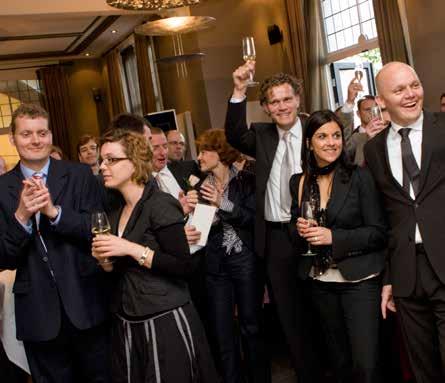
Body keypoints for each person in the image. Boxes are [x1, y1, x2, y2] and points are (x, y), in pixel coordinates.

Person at [92, 129, 218, 383]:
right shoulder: (116, 211)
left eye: (111, 160)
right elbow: (121, 269)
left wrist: (130, 248)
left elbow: (184, 266)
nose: (103, 167)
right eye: (102, 160)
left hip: (164, 318)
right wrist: (105, 262)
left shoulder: (159, 204)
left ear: (135, 162)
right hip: (129, 318)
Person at [0, 103, 109, 382]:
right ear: (13, 139)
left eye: (42, 132)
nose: (35, 140)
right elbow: (3, 257)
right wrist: (22, 217)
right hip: (37, 313)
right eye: (26, 134)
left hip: (86, 303)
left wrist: (55, 213)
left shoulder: (80, 175)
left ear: (51, 135)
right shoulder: (1, 189)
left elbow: (97, 230)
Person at [225, 60, 319, 381]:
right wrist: (239, 89)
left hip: (314, 235)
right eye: (274, 101)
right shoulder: (262, 135)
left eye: (287, 98)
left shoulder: (315, 131)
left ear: (298, 99)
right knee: (289, 318)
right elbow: (234, 134)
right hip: (276, 239)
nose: (282, 106)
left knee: (322, 312)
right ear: (265, 107)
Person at [291, 110, 387, 383]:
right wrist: (297, 230)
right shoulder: (299, 182)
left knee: (365, 365)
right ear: (309, 142)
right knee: (339, 364)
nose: (331, 142)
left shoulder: (359, 177)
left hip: (359, 281)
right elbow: (293, 232)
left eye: (336, 136)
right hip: (320, 282)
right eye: (322, 136)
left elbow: (378, 233)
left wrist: (335, 237)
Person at [364, 61, 445, 383]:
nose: (411, 94)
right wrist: (388, 277)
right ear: (381, 101)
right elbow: (385, 219)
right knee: (423, 367)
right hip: (407, 275)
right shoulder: (373, 150)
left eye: (415, 85)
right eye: (399, 90)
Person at [186, 129, 268, 383]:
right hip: (215, 266)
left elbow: (253, 219)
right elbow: (198, 234)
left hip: (245, 260)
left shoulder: (247, 180)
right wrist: (190, 216)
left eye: (203, 151)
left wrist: (223, 204)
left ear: (219, 153)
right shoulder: (201, 187)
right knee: (222, 331)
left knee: (251, 327)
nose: (198, 157)